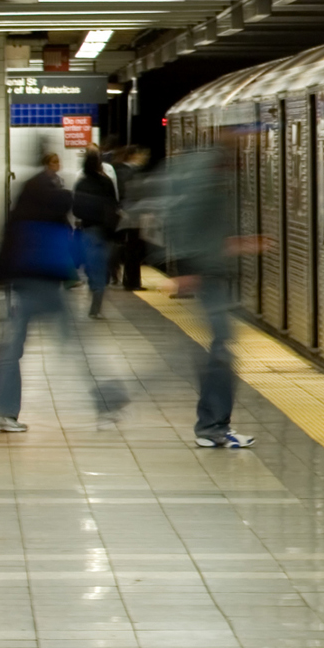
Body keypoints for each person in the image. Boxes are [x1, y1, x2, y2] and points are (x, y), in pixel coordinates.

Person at [162, 129, 262, 449]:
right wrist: (189, 267)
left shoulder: (208, 172)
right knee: (221, 349)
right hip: (207, 274)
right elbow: (187, 217)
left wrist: (238, 244)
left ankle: (213, 424)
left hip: (209, 270)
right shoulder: (208, 178)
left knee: (220, 346)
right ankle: (212, 426)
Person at [0, 152, 80, 433]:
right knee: (14, 347)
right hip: (38, 285)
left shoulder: (26, 204)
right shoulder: (52, 208)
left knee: (8, 347)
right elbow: (67, 242)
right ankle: (1, 412)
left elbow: (6, 241)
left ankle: (0, 410)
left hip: (20, 285)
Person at [73, 150, 121, 318]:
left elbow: (76, 210)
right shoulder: (106, 183)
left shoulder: (81, 184)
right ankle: (97, 303)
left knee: (91, 266)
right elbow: (115, 206)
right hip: (106, 232)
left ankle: (94, 289)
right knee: (101, 266)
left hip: (88, 230)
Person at [111, 146, 152, 290]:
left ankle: (131, 281)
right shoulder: (128, 172)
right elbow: (132, 193)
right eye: (142, 155)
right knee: (133, 250)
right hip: (132, 216)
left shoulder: (123, 171)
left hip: (130, 214)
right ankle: (132, 282)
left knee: (132, 250)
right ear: (133, 156)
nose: (144, 158)